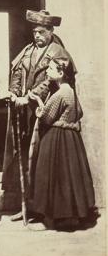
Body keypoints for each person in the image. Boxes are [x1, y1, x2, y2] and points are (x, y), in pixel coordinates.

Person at [2, 9, 76, 221]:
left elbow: (50, 82)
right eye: (35, 32)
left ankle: (45, 207)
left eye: (42, 32)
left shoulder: (59, 53)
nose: (37, 36)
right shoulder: (27, 50)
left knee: (43, 159)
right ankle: (26, 206)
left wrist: (31, 96)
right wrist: (15, 92)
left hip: (48, 113)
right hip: (25, 112)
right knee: (25, 156)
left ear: (51, 31)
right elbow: (17, 72)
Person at [30, 58, 95, 230]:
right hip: (71, 139)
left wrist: (37, 100)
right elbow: (79, 112)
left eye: (51, 69)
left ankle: (53, 218)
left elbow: (46, 117)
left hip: (56, 139)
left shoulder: (60, 94)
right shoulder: (71, 92)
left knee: (53, 176)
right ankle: (74, 214)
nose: (47, 72)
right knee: (69, 176)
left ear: (60, 74)